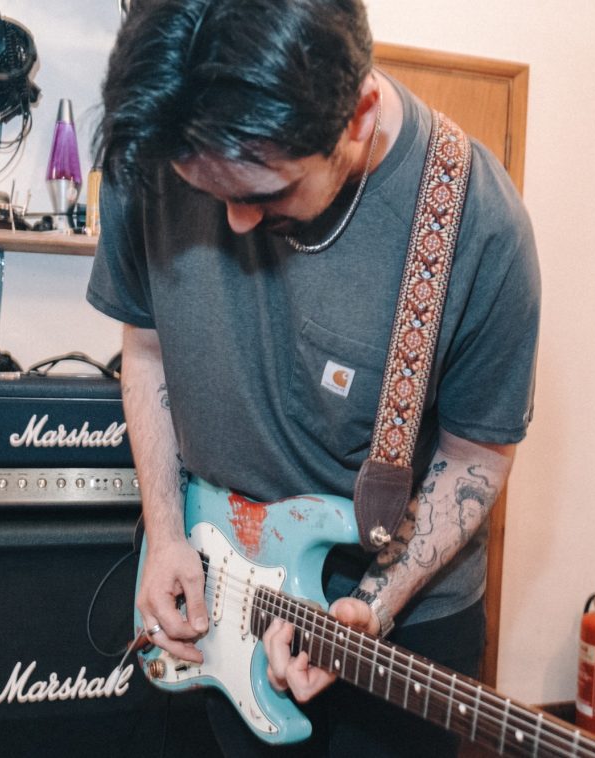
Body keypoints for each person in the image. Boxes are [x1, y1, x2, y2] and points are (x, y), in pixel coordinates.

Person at [86, 0, 540, 755]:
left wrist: (374, 603)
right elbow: (148, 348)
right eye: (206, 192)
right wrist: (166, 536)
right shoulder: (160, 143)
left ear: (358, 116)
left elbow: (475, 456)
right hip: (219, 579)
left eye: (264, 194)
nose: (231, 222)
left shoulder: (480, 228)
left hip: (401, 625)